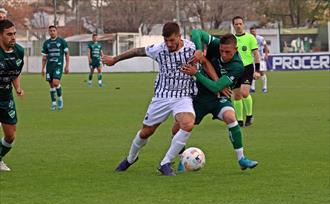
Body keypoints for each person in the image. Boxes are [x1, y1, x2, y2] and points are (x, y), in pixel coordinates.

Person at [102, 22, 217, 176]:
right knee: (146, 132)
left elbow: (205, 62)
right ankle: (130, 158)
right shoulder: (159, 49)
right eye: (166, 40)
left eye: (172, 40)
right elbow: (137, 51)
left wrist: (217, 84)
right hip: (162, 96)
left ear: (179, 37)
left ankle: (165, 162)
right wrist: (115, 59)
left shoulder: (191, 49)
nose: (169, 44)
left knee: (188, 124)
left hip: (183, 96)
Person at [176, 30, 258, 170]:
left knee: (230, 117)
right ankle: (182, 160)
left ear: (236, 49)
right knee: (177, 127)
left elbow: (216, 87)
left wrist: (196, 73)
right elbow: (196, 32)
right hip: (199, 97)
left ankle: (241, 159)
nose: (224, 55)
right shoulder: (215, 44)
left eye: (228, 52)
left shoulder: (238, 66)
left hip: (218, 98)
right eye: (222, 51)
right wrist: (199, 50)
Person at [0, 19, 25, 171]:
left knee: (10, 136)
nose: (13, 37)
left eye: (15, 34)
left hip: (6, 98)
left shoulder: (19, 51)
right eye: (9, 34)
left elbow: (15, 73)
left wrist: (18, 88)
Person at [232, 16, 260, 127]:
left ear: (243, 24)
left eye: (240, 24)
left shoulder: (250, 38)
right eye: (236, 24)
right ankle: (239, 120)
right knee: (237, 95)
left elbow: (256, 54)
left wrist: (257, 70)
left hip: (247, 68)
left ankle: (249, 115)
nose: (238, 26)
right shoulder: (231, 39)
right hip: (234, 69)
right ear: (233, 26)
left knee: (244, 93)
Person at [41, 25, 69, 111]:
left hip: (58, 65)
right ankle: (53, 103)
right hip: (49, 66)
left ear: (56, 31)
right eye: (50, 31)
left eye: (54, 30)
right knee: (51, 85)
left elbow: (67, 54)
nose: (52, 32)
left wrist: (67, 66)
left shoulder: (62, 41)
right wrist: (42, 68)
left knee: (56, 83)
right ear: (49, 32)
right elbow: (44, 57)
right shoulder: (46, 43)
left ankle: (60, 98)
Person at [249, 26, 269, 93]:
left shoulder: (260, 38)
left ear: (256, 31)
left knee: (262, 72)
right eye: (251, 32)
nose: (253, 33)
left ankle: (264, 87)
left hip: (260, 57)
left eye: (254, 31)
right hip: (251, 58)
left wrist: (266, 54)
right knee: (252, 72)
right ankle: (252, 88)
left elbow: (265, 46)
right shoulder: (248, 39)